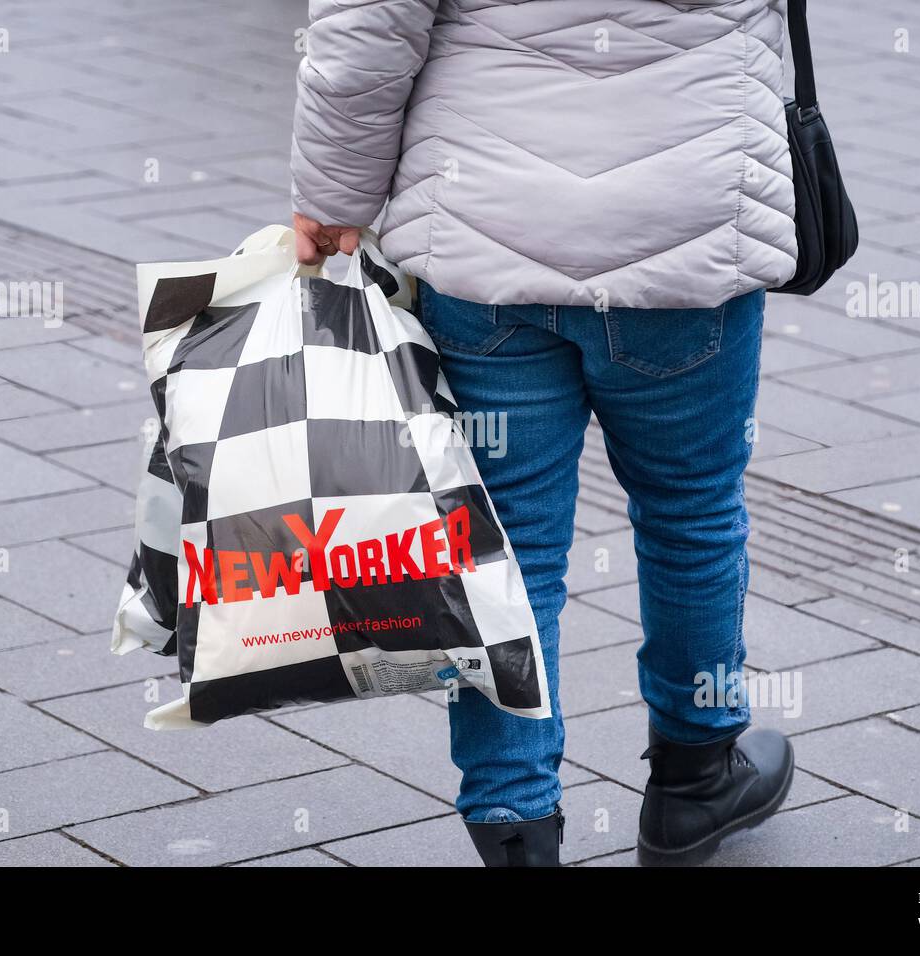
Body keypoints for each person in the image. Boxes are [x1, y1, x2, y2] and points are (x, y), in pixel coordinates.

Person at [289, 0, 797, 867]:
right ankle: (696, 776)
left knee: (505, 544)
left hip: (486, 234)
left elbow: (369, 24)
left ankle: (514, 820)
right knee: (692, 512)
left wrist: (334, 200)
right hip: (689, 227)